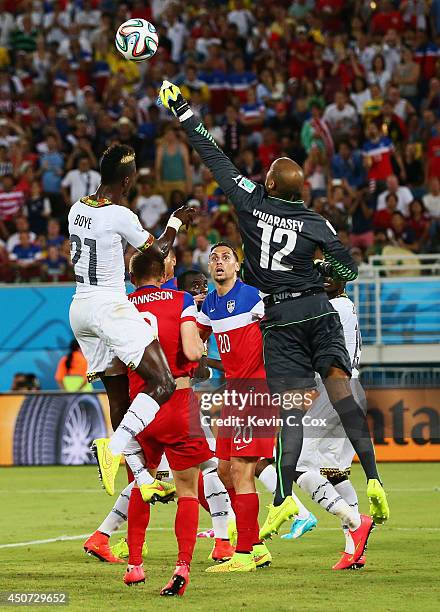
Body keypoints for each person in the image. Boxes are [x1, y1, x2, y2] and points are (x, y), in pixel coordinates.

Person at [159, 81, 389, 552]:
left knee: (285, 424)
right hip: (316, 311)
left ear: (266, 185)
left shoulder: (249, 201)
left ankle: (284, 501)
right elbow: (349, 269)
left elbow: (212, 153)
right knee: (335, 401)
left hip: (281, 320)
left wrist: (181, 109)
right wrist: (319, 266)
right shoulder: (314, 221)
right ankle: (373, 481)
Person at [68, 143, 194, 499]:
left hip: (80, 306)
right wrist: (175, 222)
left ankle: (143, 480)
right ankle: (113, 446)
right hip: (110, 306)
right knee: (164, 381)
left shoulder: (76, 208)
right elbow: (159, 253)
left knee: (119, 399)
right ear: (126, 180)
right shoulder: (120, 214)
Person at [123, 250, 211, 595]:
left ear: (133, 277)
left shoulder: (123, 306)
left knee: (140, 486)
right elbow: (191, 352)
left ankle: (134, 565)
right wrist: (201, 350)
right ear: (163, 274)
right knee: (188, 490)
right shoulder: (182, 299)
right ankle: (182, 566)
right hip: (178, 401)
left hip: (141, 404)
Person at [196, 242, 274, 573]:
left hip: (255, 392)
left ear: (237, 266)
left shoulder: (254, 297)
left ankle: (242, 554)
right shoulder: (210, 304)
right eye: (214, 258)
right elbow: (194, 340)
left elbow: (280, 332)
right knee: (226, 470)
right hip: (232, 394)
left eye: (226, 257)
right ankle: (255, 546)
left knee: (242, 471)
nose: (219, 262)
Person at [284, 277, 370, 570]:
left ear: (343, 279)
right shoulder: (348, 306)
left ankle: (357, 522)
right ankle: (353, 550)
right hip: (354, 387)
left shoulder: (330, 306)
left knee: (297, 464)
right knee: (335, 472)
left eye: (329, 273)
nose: (322, 278)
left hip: (333, 389)